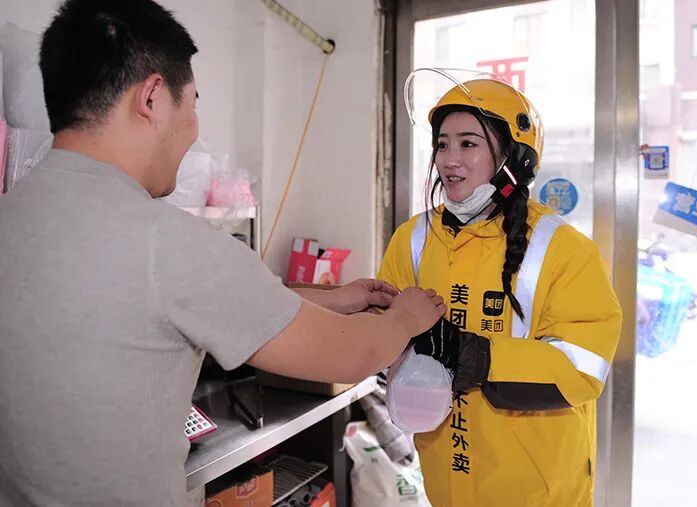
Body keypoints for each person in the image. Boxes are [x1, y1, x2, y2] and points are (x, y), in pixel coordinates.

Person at [0, 1, 446, 505]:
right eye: (192, 102)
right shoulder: (170, 241)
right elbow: (353, 353)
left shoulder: (14, 217)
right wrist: (406, 317)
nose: (194, 127)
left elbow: (159, 305)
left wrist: (330, 298)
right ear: (152, 97)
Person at [378, 74, 622, 506]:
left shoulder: (562, 248)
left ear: (515, 158)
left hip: (539, 492)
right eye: (442, 145)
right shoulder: (412, 238)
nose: (449, 160)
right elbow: (386, 338)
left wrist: (474, 355)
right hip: (446, 482)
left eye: (468, 144)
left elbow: (584, 367)